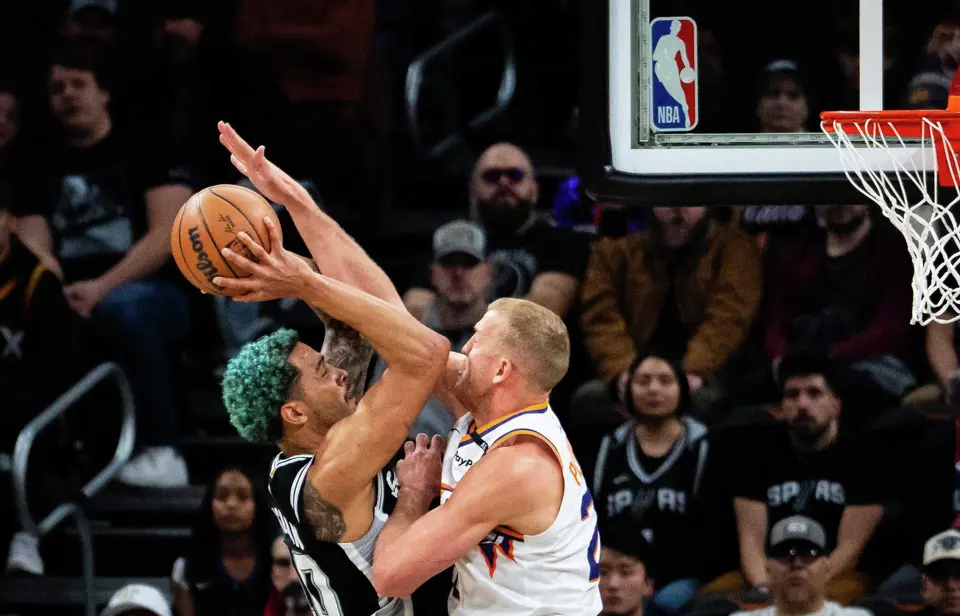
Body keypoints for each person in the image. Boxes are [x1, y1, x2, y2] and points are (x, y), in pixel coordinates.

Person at [216, 122, 451, 616]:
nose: (340, 372)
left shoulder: (310, 447)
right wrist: (411, 499)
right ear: (295, 412)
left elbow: (356, 320)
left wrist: (295, 205)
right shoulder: (332, 474)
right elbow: (425, 353)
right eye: (321, 372)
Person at [371, 297, 603, 615]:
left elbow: (390, 576)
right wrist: (313, 281)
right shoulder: (492, 407)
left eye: (477, 339)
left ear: (501, 370)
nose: (464, 348)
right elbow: (400, 332)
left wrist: (413, 494)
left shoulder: (519, 464)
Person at [172, 467, 276, 616]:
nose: (231, 504)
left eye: (242, 496)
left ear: (257, 504)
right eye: (222, 496)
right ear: (210, 504)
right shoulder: (186, 567)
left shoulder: (280, 562)